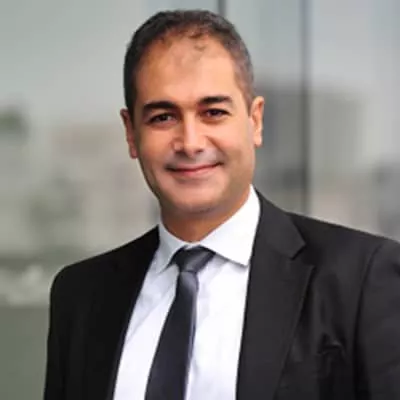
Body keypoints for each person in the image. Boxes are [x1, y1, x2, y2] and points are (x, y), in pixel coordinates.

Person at [43, 9, 400, 400]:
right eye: (163, 117)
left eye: (213, 113)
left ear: (255, 121)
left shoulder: (361, 280)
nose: (190, 142)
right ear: (131, 133)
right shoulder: (81, 296)